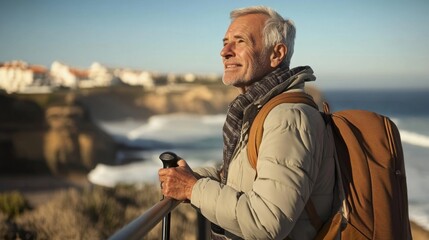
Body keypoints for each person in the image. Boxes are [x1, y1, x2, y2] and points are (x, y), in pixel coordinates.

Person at [158, 5, 335, 239]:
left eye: (240, 41)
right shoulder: (258, 109)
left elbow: (266, 222)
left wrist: (192, 189)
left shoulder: (287, 118)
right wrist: (190, 177)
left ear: (276, 54)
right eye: (225, 42)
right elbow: (244, 179)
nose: (225, 52)